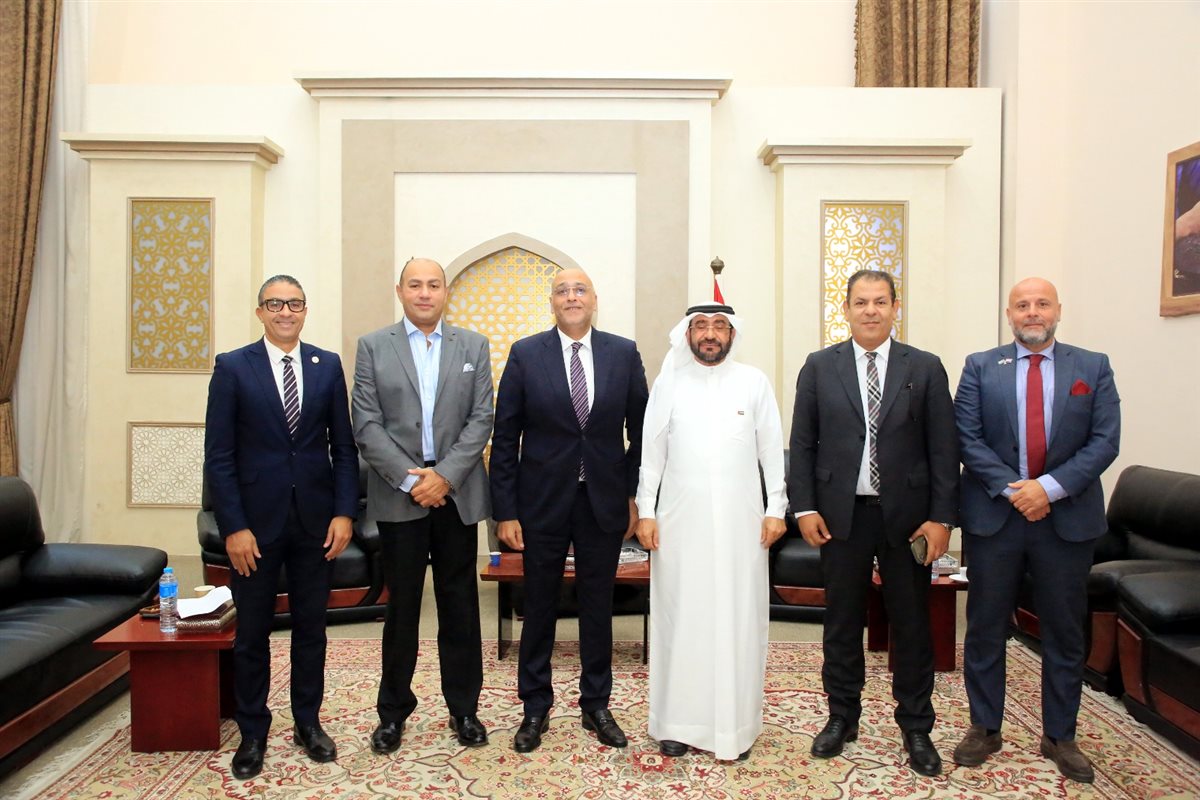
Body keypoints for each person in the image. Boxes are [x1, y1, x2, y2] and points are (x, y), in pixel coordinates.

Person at [787, 269, 959, 777]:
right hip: (841, 517)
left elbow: (944, 449)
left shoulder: (925, 367)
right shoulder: (819, 366)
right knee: (841, 622)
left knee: (911, 622)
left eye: (880, 301)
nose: (870, 311)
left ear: (894, 308)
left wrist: (942, 518)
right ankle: (842, 716)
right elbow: (802, 444)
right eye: (860, 302)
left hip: (908, 520)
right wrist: (805, 507)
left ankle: (916, 726)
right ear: (845, 309)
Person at [952, 277, 1120, 784]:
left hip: (1066, 521)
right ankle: (985, 727)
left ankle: (1060, 735)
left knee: (1064, 631)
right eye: (1022, 305)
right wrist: (1015, 491)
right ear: (1009, 315)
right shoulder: (980, 366)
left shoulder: (1092, 367)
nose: (1032, 312)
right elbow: (967, 438)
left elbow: (1105, 440)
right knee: (985, 626)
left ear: (1058, 311)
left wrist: (1047, 489)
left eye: (1041, 303)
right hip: (995, 519)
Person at [204, 275, 358, 779]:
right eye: (275, 304)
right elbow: (219, 456)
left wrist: (344, 513)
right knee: (252, 633)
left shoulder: (326, 365)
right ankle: (253, 731)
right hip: (254, 527)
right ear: (260, 312)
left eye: (294, 303)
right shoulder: (233, 367)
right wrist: (234, 527)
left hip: (316, 524)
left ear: (305, 310)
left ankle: (308, 722)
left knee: (312, 629)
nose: (285, 312)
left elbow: (343, 448)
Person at [490, 268, 649, 753]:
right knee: (539, 606)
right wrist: (506, 511)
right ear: (553, 302)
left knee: (598, 607)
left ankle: (596, 704)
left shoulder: (623, 353)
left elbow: (643, 432)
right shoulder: (525, 354)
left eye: (580, 290)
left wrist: (631, 494)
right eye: (562, 291)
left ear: (594, 299)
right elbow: (505, 437)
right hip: (540, 504)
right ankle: (535, 706)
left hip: (602, 502)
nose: (572, 297)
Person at [352, 257, 494, 753]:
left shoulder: (473, 345)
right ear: (400, 291)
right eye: (415, 285)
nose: (425, 293)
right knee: (403, 608)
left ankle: (464, 709)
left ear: (445, 292)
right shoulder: (373, 346)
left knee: (460, 606)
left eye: (434, 285)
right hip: (401, 492)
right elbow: (366, 423)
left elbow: (481, 418)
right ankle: (392, 712)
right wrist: (412, 479)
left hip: (455, 493)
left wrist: (445, 477)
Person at [635, 303, 787, 761]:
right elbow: (651, 455)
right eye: (700, 326)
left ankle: (735, 728)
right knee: (681, 619)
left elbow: (771, 452)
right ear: (687, 334)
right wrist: (646, 511)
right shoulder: (669, 384)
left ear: (732, 334)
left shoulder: (753, 382)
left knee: (737, 620)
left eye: (719, 326)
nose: (710, 333)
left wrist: (776, 508)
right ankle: (676, 724)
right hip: (680, 525)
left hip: (743, 526)